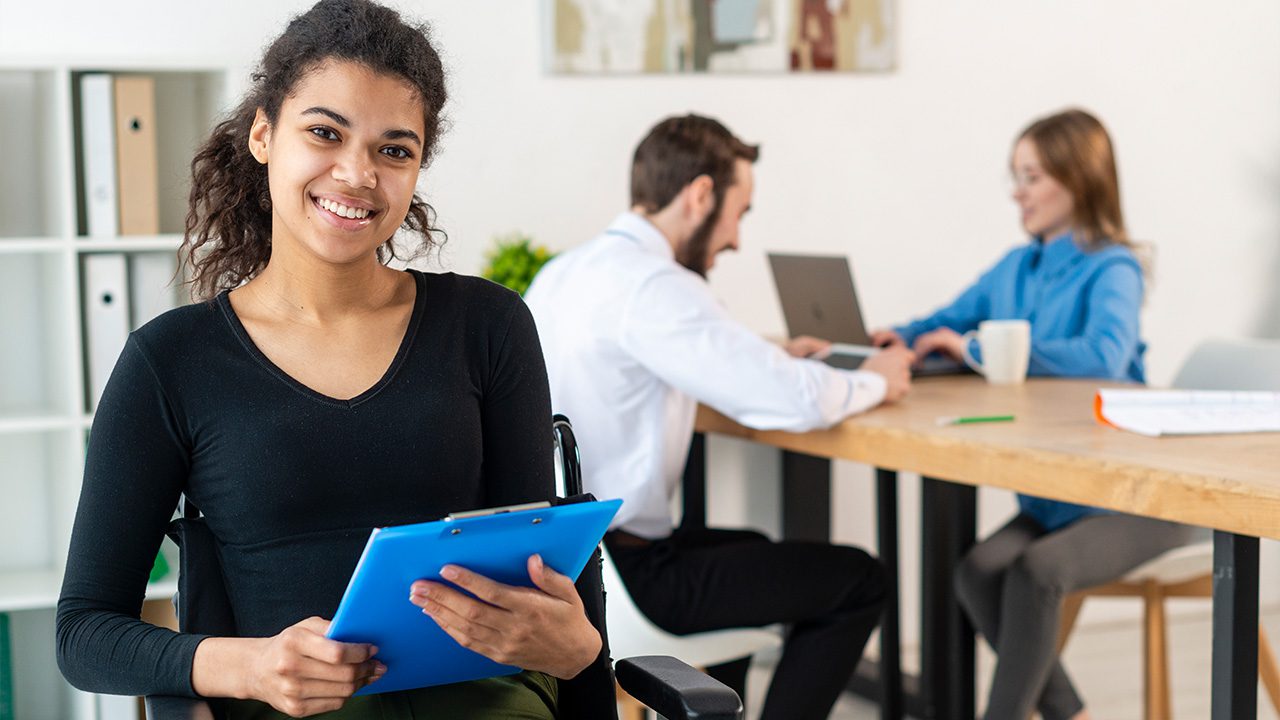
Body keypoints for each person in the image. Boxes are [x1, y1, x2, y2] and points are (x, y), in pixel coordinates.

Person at [55, 2, 602, 718]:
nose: (357, 174)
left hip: (483, 701)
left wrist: (579, 650)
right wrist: (248, 665)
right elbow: (84, 633)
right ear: (263, 134)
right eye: (325, 133)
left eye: (394, 150)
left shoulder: (488, 326)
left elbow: (537, 577)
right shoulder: (172, 361)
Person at [523, 114, 913, 720]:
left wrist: (769, 355)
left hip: (571, 563)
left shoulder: (566, 272)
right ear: (701, 194)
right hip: (628, 578)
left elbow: (693, 354)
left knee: (751, 546)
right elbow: (790, 400)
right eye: (741, 211)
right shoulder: (655, 286)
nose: (735, 238)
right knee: (860, 580)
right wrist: (874, 379)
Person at [872, 109, 1191, 720]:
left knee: (1036, 570)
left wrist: (973, 349)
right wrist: (891, 337)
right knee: (978, 570)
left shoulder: (1114, 266)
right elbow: (950, 317)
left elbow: (1102, 353)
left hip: (1136, 494)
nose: (1018, 192)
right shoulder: (1018, 265)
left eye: (1033, 176)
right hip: (1057, 492)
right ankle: (1072, 714)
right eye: (1015, 176)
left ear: (1080, 178)